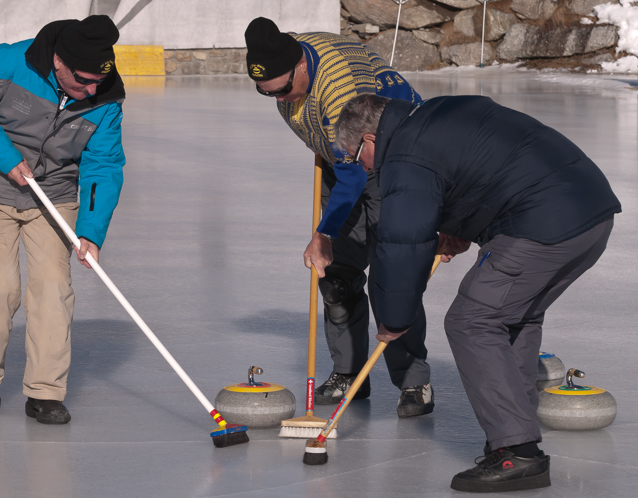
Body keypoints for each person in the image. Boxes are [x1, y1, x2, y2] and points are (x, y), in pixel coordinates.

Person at [334, 93, 621, 492]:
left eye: (354, 156)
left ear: (369, 139)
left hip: (542, 224)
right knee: (512, 316)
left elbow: (405, 240)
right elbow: (487, 166)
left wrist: (394, 316)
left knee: (471, 320)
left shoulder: (403, 155)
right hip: (590, 213)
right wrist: (460, 227)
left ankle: (518, 453)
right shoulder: (435, 112)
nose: (360, 166)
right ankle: (512, 433)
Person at [244, 17, 433, 417]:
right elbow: (342, 165)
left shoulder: (341, 87)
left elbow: (354, 173)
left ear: (300, 67)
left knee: (392, 278)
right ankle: (349, 374)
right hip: (342, 158)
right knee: (336, 276)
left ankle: (414, 382)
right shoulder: (286, 66)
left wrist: (323, 233)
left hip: (392, 160)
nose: (281, 100)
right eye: (267, 94)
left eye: (283, 90)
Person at [0, 15, 126, 425]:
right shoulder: (8, 63)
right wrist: (6, 160)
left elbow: (103, 165)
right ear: (59, 61)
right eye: (83, 80)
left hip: (54, 196)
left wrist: (91, 232)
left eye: (99, 80)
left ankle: (45, 391)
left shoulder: (105, 97)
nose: (91, 89)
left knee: (52, 289)